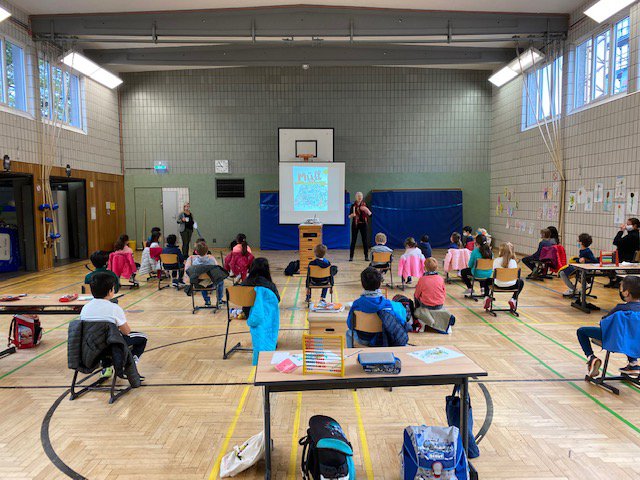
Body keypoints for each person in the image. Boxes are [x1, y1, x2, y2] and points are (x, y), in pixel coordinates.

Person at [80, 272, 147, 378]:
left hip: (90, 348)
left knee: (102, 337)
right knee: (142, 338)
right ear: (111, 291)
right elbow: (126, 332)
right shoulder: (114, 308)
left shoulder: (85, 308)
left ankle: (106, 366)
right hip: (111, 347)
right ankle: (130, 366)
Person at [577, 275, 640, 377]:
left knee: (581, 331)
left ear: (626, 293)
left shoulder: (620, 308)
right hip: (636, 341)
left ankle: (591, 358)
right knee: (631, 333)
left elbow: (604, 321)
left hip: (617, 340)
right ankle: (633, 364)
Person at [346, 267, 411, 347]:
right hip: (382, 339)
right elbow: (399, 321)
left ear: (362, 284)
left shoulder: (357, 304)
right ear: (379, 284)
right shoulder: (387, 304)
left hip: (363, 338)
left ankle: (351, 353)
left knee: (349, 333)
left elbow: (350, 324)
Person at [184, 241, 224, 307]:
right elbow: (217, 270)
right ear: (207, 251)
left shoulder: (194, 262)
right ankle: (219, 300)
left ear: (196, 252)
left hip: (199, 284)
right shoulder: (211, 259)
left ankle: (207, 301)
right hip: (211, 283)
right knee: (221, 281)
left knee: (201, 281)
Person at [605, 218, 640, 288]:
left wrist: (621, 231)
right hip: (624, 256)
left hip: (626, 258)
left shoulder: (632, 236)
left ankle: (617, 280)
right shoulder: (633, 235)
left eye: (628, 224)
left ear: (635, 226)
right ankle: (614, 280)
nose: (626, 226)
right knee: (608, 258)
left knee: (607, 260)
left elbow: (616, 242)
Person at [460, 234, 493, 308]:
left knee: (463, 271)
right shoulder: (490, 252)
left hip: (477, 273)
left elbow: (470, 265)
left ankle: (470, 288)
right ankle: (483, 289)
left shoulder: (475, 252)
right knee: (482, 271)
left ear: (477, 243)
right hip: (488, 274)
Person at [492, 242, 524, 312]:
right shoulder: (513, 262)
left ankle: (488, 296)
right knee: (521, 282)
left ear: (501, 251)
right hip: (511, 285)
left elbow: (493, 273)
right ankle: (513, 299)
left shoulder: (496, 260)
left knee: (488, 280)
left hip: (498, 285)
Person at [349, 191, 372, 261]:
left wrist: (366, 210)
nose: (359, 197)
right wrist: (352, 215)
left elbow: (371, 215)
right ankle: (351, 256)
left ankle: (366, 256)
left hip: (363, 224)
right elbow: (349, 216)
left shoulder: (365, 205)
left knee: (365, 240)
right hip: (355, 224)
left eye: (361, 196)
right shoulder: (353, 205)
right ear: (356, 197)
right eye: (358, 196)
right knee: (353, 240)